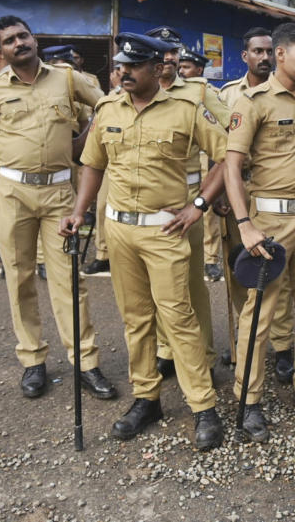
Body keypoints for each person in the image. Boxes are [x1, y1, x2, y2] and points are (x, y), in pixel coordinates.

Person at [60, 31, 227, 448]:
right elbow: (93, 165)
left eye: (133, 66)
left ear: (157, 69)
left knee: (178, 317)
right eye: (121, 65)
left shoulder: (188, 108)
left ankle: (203, 406)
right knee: (135, 319)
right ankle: (146, 398)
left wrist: (199, 206)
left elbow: (227, 157)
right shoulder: (107, 107)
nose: (124, 72)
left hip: (165, 229)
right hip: (119, 230)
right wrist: (79, 213)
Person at [0, 15, 115, 401]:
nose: (20, 43)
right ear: (0, 51)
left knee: (69, 280)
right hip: (13, 193)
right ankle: (33, 360)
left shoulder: (65, 78)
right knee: (19, 278)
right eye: (10, 40)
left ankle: (85, 362)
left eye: (24, 35)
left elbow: (109, 104)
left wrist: (87, 137)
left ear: (34, 39)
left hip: (59, 194)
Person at [224, 21, 295, 439]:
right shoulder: (252, 102)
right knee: (260, 314)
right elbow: (232, 167)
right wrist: (245, 225)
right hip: (269, 221)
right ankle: (248, 400)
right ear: (281, 54)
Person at [145, 25, 230, 378]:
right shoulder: (134, 91)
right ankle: (166, 349)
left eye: (172, 51)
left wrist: (214, 195)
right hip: (143, 204)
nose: (167, 57)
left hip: (185, 202)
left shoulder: (198, 92)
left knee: (190, 286)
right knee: (154, 288)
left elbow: (230, 145)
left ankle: (204, 356)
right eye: (160, 50)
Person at [219, 27, 295, 383]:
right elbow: (218, 149)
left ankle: (281, 345)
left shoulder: (291, 92)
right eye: (258, 52)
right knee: (240, 268)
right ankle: (245, 342)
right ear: (244, 56)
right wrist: (219, 194)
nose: (264, 58)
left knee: (275, 272)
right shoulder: (227, 95)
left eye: (269, 51)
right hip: (236, 193)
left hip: (270, 193)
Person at [179, 46, 225, 282]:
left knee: (208, 213)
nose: (182, 71)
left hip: (212, 157)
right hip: (193, 159)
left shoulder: (208, 93)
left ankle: (210, 259)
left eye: (187, 67)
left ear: (199, 69)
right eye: (181, 67)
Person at [83, 65, 124, 275]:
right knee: (102, 208)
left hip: (133, 163)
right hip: (109, 162)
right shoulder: (109, 99)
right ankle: (103, 254)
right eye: (120, 68)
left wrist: (119, 88)